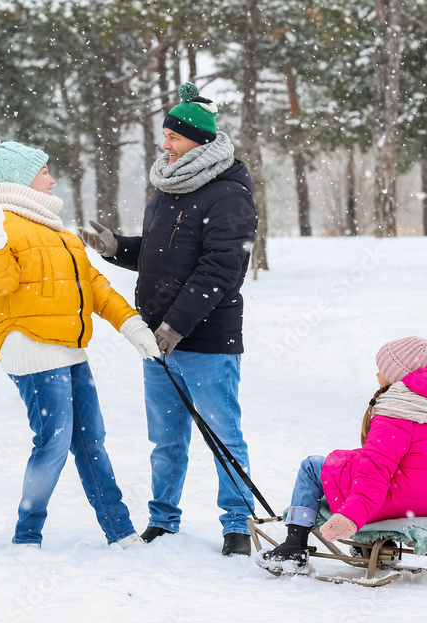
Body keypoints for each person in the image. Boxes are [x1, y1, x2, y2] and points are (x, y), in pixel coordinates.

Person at [79, 82, 259, 556]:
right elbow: (160, 257)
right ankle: (163, 519)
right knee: (165, 439)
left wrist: (175, 325)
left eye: (174, 138)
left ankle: (238, 524)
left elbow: (220, 267)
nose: (166, 145)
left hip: (205, 340)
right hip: (157, 341)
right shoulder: (167, 187)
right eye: (165, 137)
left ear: (199, 141)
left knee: (222, 435)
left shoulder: (229, 194)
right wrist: (116, 247)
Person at [0, 135, 160, 549]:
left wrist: (132, 326)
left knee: (90, 439)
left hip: (70, 348)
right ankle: (27, 533)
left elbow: (95, 286)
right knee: (52, 441)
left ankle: (119, 531)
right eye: (44, 172)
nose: (52, 179)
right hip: (30, 348)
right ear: (22, 179)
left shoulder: (60, 234)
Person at [256, 337, 427, 574]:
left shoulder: (394, 417)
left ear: (398, 377)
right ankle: (369, 544)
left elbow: (373, 475)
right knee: (353, 458)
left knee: (312, 466)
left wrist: (351, 517)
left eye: (383, 370)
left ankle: (293, 548)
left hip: (388, 504)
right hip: (423, 505)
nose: (378, 375)